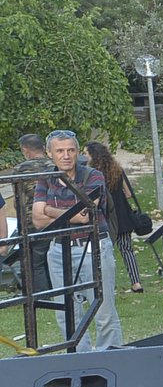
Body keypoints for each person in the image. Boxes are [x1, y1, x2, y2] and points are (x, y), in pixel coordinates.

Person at [30, 129, 121, 351]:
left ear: (77, 151)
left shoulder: (93, 176)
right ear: (50, 153)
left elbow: (85, 216)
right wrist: (68, 212)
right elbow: (37, 220)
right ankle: (78, 360)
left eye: (71, 150)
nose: (66, 155)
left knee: (103, 310)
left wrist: (50, 209)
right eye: (59, 151)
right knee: (66, 311)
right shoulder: (46, 179)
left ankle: (110, 358)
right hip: (59, 250)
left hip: (94, 247)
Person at [85, 140, 144, 293]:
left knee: (104, 251)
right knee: (127, 249)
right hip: (123, 214)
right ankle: (136, 282)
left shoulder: (91, 174)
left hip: (106, 216)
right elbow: (129, 193)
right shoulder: (116, 169)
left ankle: (103, 284)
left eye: (86, 154)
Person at [11, 134, 54, 327]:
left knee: (35, 263)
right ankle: (61, 292)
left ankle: (43, 298)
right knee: (56, 258)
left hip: (30, 223)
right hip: (55, 219)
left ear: (25, 150)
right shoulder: (54, 167)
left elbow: (16, 199)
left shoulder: (20, 170)